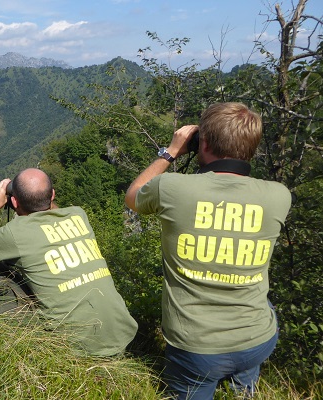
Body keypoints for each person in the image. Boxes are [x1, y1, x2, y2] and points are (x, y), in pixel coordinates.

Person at [124, 102, 292, 399]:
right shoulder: (278, 196)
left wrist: (171, 151)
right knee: (261, 322)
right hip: (257, 339)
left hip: (195, 349)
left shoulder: (172, 188)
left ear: (202, 142)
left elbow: (133, 197)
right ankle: (244, 390)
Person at [0, 168, 138, 357]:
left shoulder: (15, 233)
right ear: (52, 195)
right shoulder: (78, 215)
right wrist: (39, 197)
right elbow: (49, 209)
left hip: (76, 348)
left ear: (14, 201)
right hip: (121, 334)